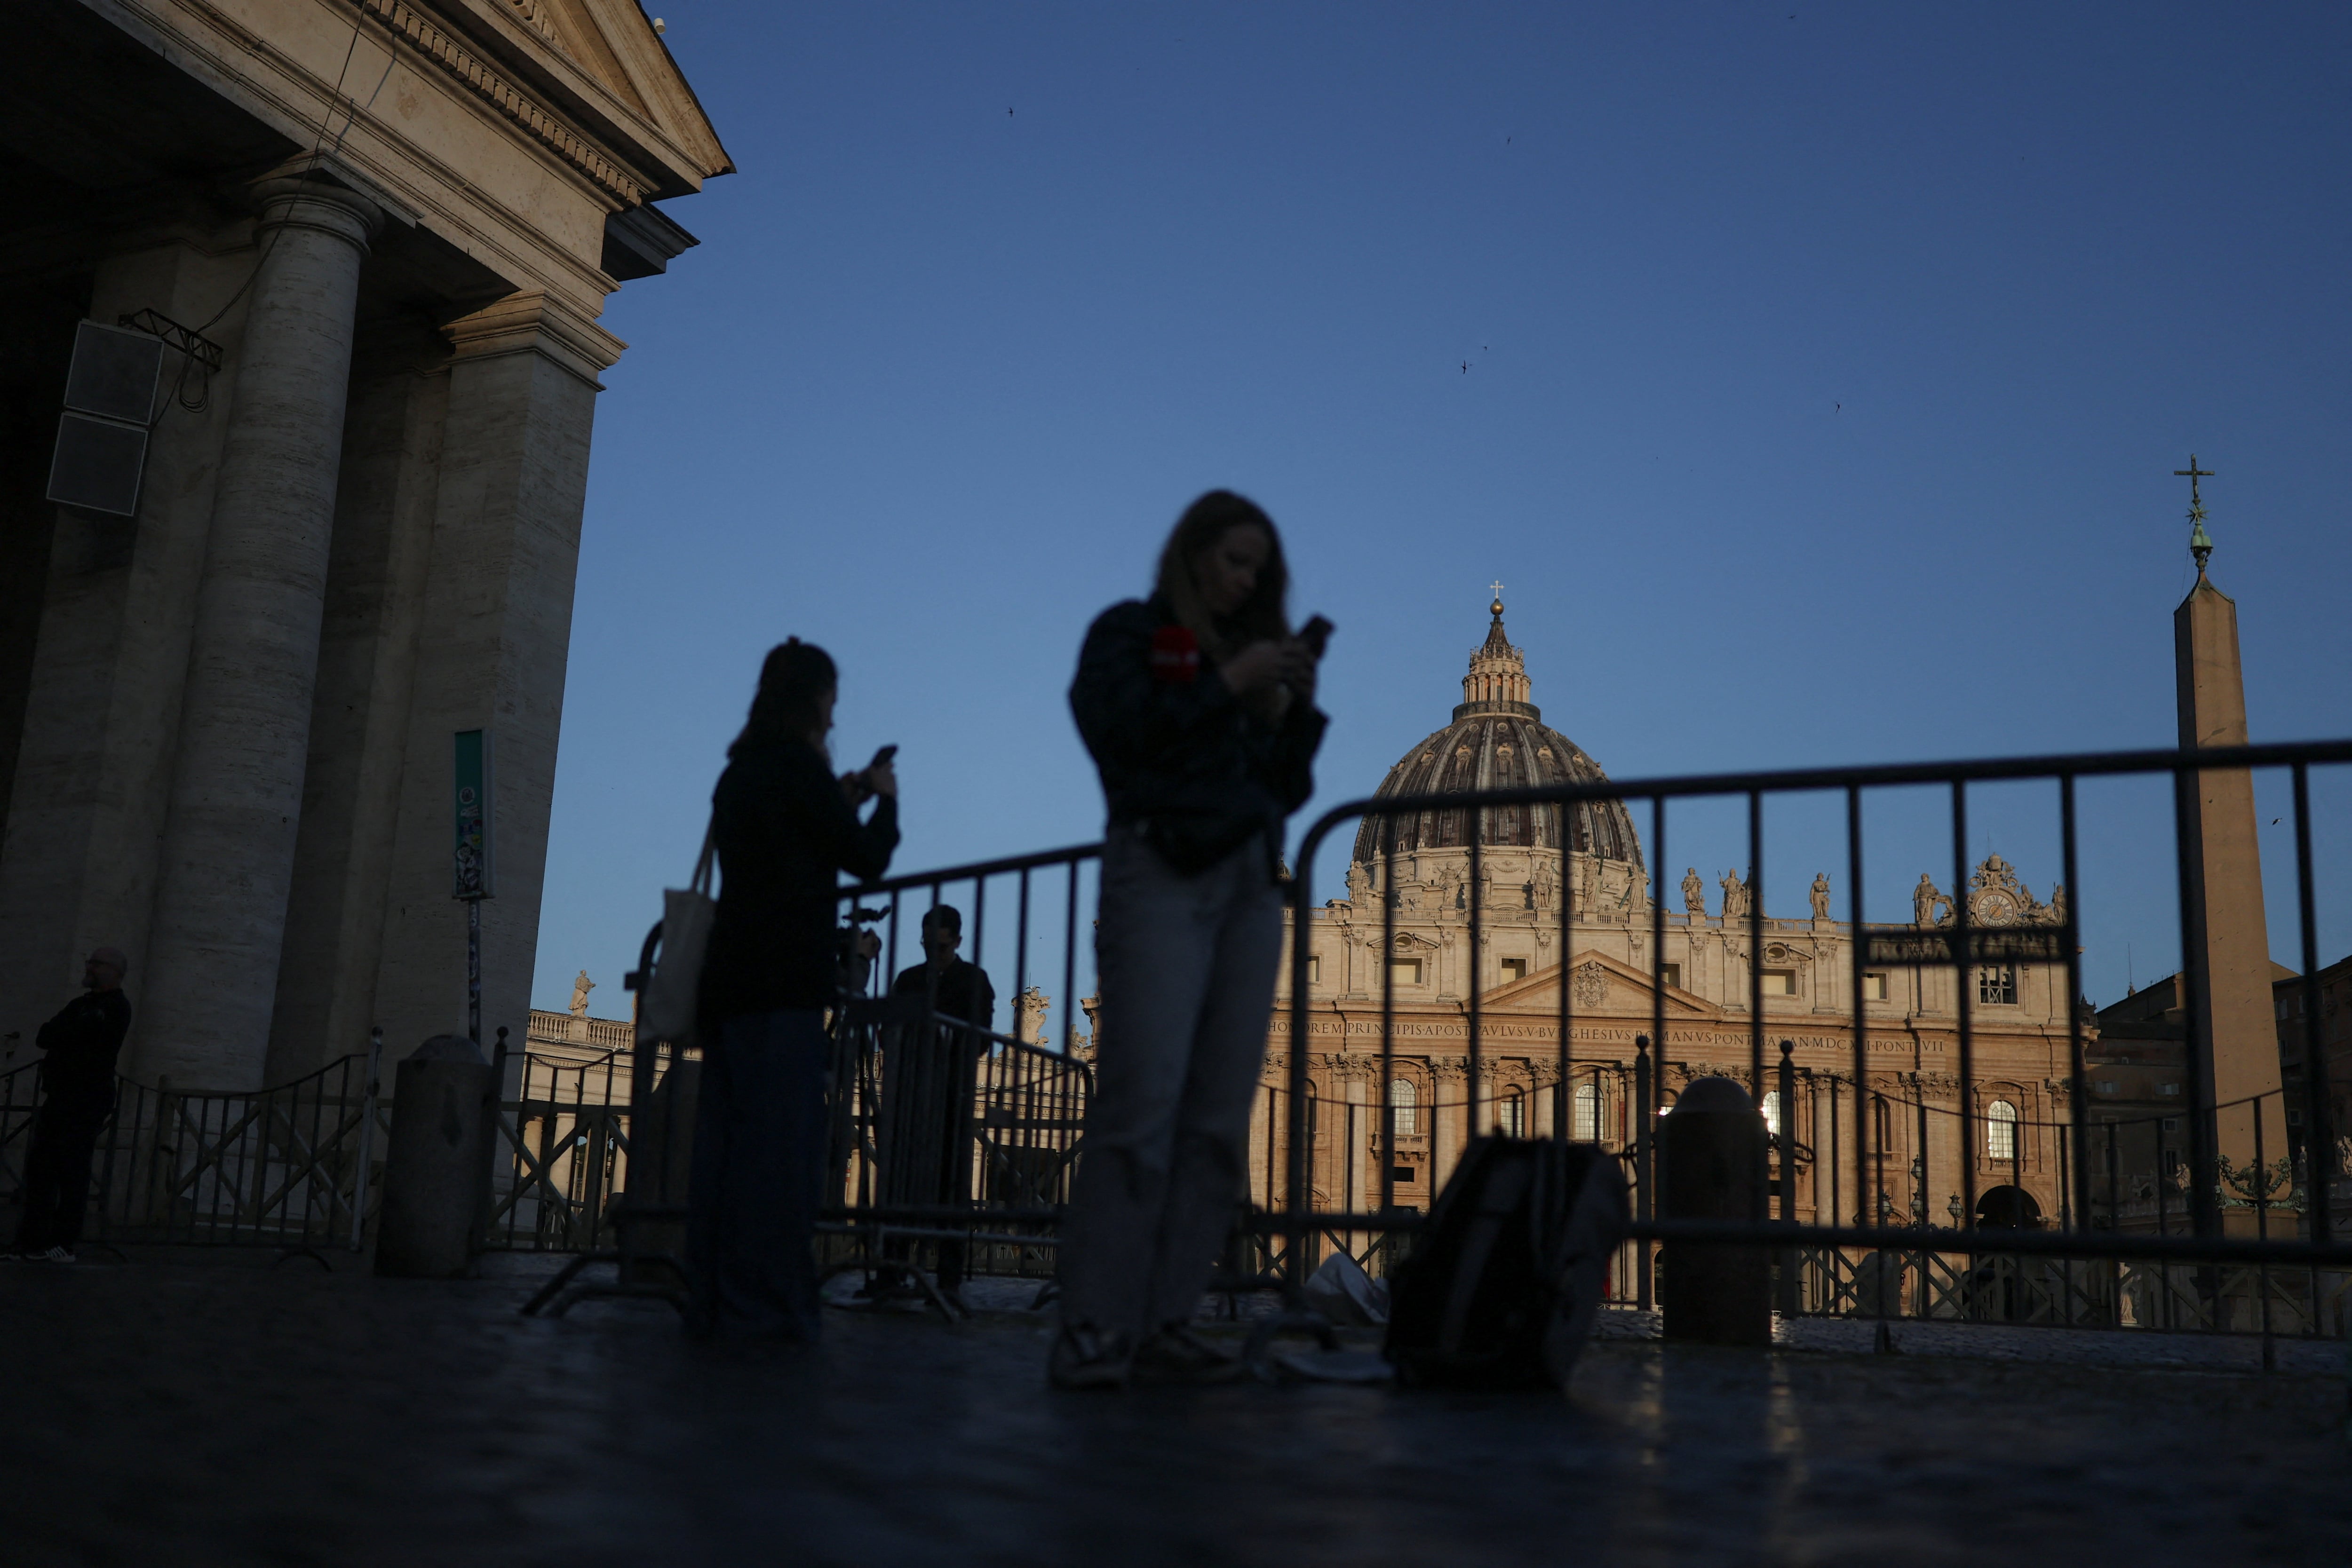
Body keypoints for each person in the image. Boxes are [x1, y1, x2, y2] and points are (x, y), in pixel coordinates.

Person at [1056, 490, 1328, 1387]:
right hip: (1164, 873)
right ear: (1193, 555)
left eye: (1261, 568)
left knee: (1216, 1122)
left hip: (1253, 886)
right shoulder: (1129, 633)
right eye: (1235, 561)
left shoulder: (1250, 666)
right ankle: (1095, 1322)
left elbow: (1285, 791)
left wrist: (1293, 711)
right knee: (1141, 1105)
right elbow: (1123, 740)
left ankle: (1169, 1316)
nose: (1247, 580)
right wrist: (1228, 685)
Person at [689, 639, 898, 1341]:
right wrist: (885, 803)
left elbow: (790, 839)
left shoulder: (739, 771)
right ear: (815, 699)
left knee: (722, 1156)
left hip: (725, 984)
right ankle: (769, 1306)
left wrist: (842, 793)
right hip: (784, 983)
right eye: (832, 698)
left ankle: (712, 1300)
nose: (835, 711)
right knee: (781, 1159)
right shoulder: (800, 769)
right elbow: (865, 858)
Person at [877, 906, 996, 1298]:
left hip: (950, 1093)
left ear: (956, 941)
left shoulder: (973, 980)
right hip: (912, 1091)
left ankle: (947, 1277)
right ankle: (893, 1268)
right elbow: (887, 1032)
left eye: (941, 946)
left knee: (949, 1183)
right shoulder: (909, 979)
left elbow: (979, 1040)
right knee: (901, 1182)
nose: (934, 952)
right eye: (929, 945)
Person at [8, 948, 132, 1263]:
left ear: (115, 971)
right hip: (61, 1095)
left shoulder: (117, 1007)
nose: (89, 967)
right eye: (89, 962)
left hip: (87, 1097)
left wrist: (70, 1034)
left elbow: (86, 1038)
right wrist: (72, 1034)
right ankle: (32, 1242)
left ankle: (62, 1243)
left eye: (96, 963)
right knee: (42, 1170)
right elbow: (46, 1035)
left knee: (72, 1170)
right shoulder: (81, 1005)